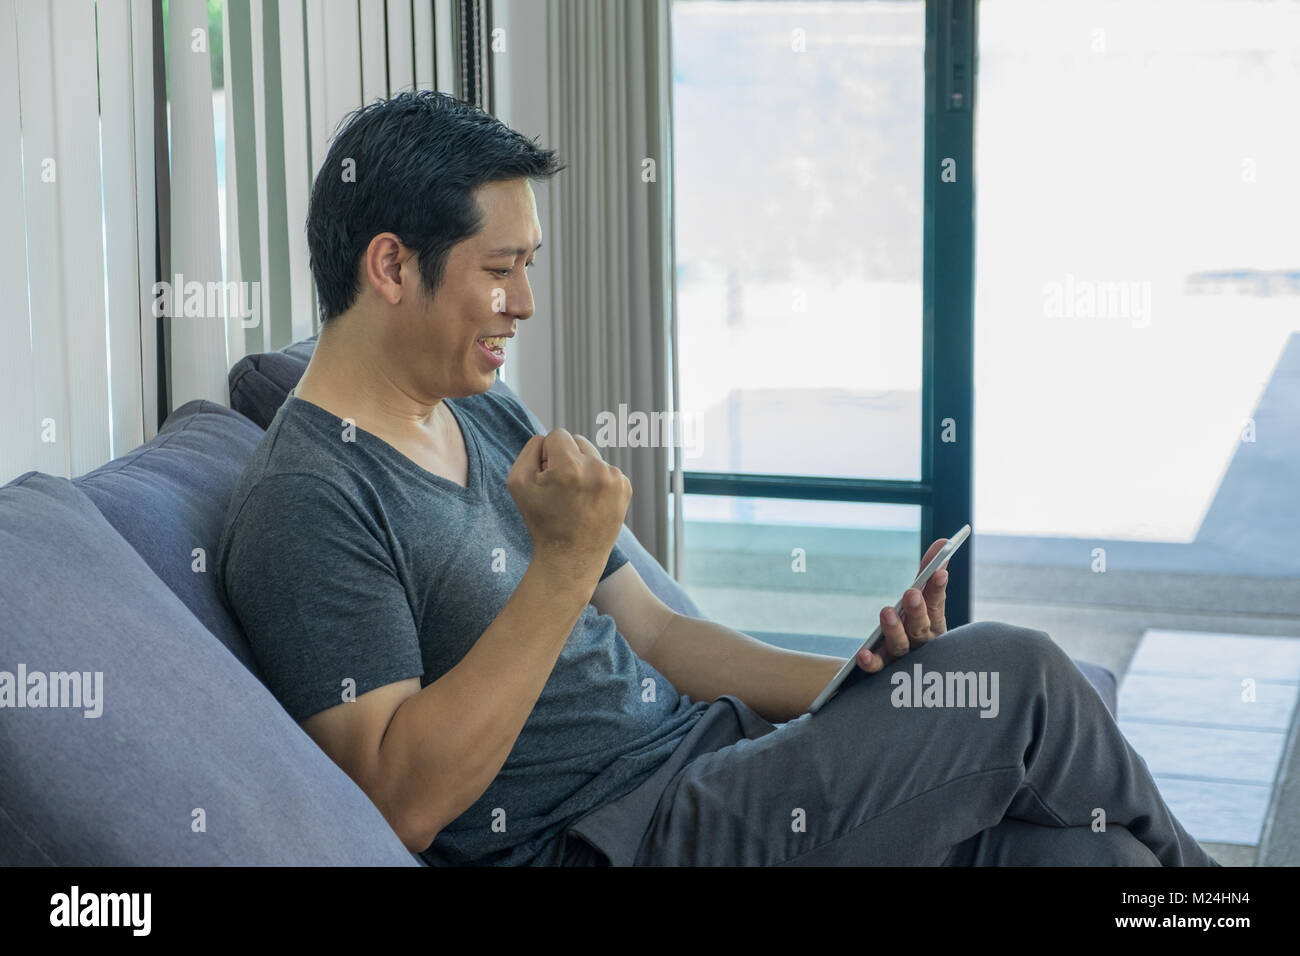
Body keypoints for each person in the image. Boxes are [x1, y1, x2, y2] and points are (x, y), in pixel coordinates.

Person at [217, 91, 1219, 867]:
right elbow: (400, 794)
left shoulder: (477, 405)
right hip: (611, 839)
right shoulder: (307, 499)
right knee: (1021, 676)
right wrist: (559, 567)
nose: (523, 301)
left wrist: (857, 685)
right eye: (499, 266)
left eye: (529, 265)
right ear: (392, 267)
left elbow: (659, 633)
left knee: (1092, 854)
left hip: (712, 764)